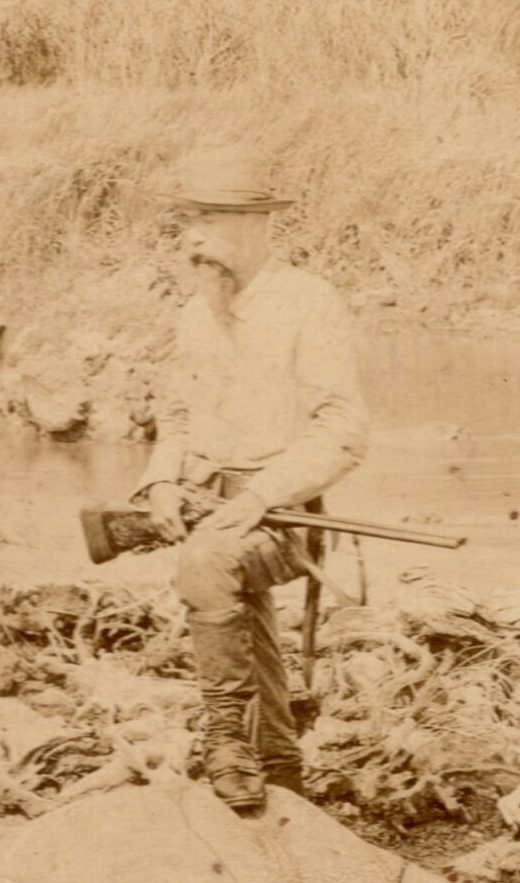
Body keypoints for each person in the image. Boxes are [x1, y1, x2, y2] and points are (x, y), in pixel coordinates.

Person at [134, 166, 368, 814]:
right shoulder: (195, 312)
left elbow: (343, 430)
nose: (194, 239)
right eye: (189, 223)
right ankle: (280, 768)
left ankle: (226, 740)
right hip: (207, 503)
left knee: (207, 562)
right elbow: (176, 416)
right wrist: (160, 481)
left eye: (211, 222)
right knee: (236, 606)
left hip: (284, 515)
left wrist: (260, 497)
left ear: (259, 225)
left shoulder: (309, 303)